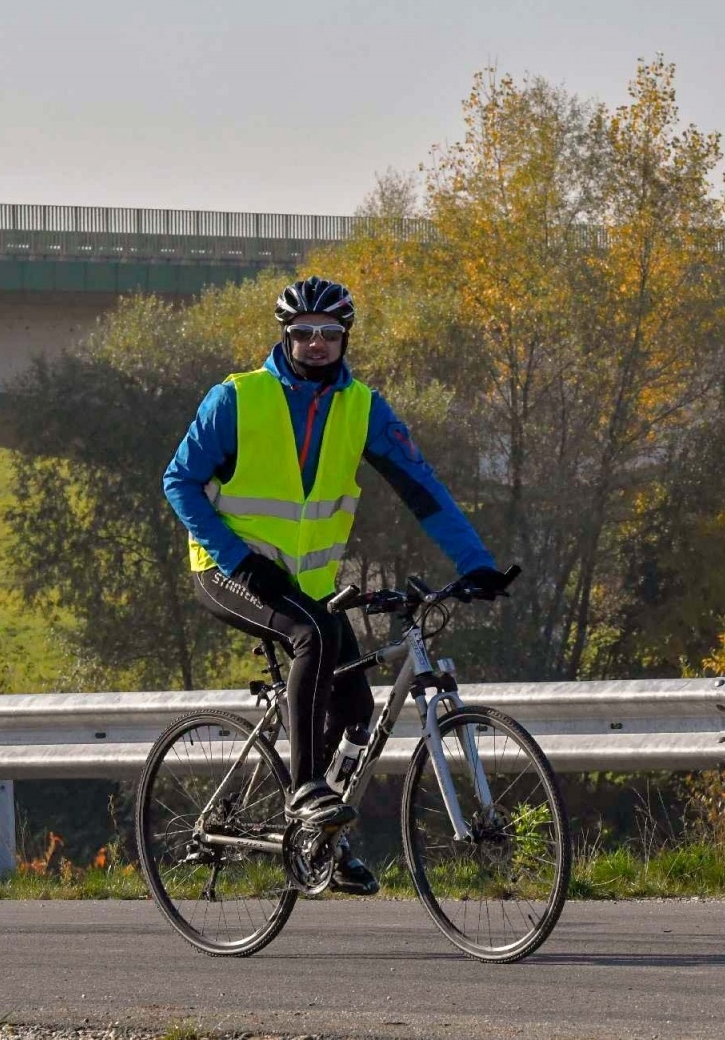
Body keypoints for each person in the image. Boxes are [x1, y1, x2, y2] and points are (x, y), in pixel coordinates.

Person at [163, 276, 510, 895]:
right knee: (313, 634)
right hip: (227, 572)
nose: (316, 344)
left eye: (328, 334)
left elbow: (422, 489)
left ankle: (323, 838)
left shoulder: (364, 408)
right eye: (304, 334)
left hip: (309, 583)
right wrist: (237, 560)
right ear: (286, 336)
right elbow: (179, 483)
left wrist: (475, 563)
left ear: (345, 337)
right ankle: (303, 791)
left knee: (357, 711)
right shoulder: (236, 399)